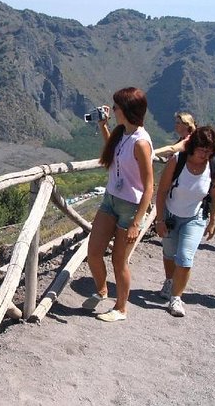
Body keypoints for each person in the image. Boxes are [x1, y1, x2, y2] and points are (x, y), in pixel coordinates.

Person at [82, 87, 154, 322]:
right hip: (111, 199)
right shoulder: (123, 133)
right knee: (93, 252)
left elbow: (148, 186)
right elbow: (114, 154)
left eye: (116, 107)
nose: (113, 110)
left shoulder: (141, 143)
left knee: (119, 261)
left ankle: (121, 308)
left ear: (127, 110)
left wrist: (136, 222)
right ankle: (102, 290)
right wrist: (103, 126)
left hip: (130, 206)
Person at [154, 126, 215, 317]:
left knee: (184, 258)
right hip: (170, 215)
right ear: (193, 146)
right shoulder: (178, 161)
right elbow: (161, 192)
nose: (204, 154)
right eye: (202, 149)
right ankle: (169, 281)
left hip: (195, 217)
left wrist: (213, 220)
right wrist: (160, 220)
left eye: (209, 151)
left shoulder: (214, 166)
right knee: (169, 253)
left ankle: (176, 298)